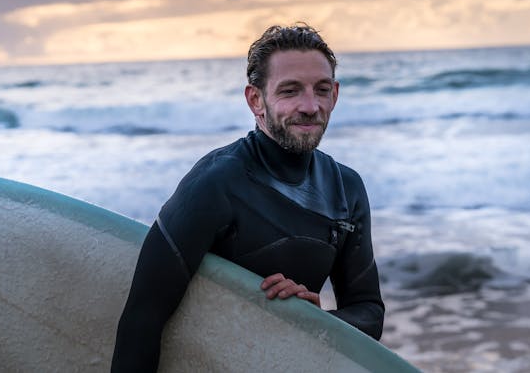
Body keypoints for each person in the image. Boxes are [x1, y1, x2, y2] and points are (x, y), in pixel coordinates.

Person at [111, 24, 384, 372]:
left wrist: (314, 320)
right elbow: (142, 318)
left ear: (336, 95)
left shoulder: (347, 189)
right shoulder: (216, 182)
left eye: (322, 89)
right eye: (290, 91)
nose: (310, 105)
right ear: (256, 100)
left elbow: (369, 311)